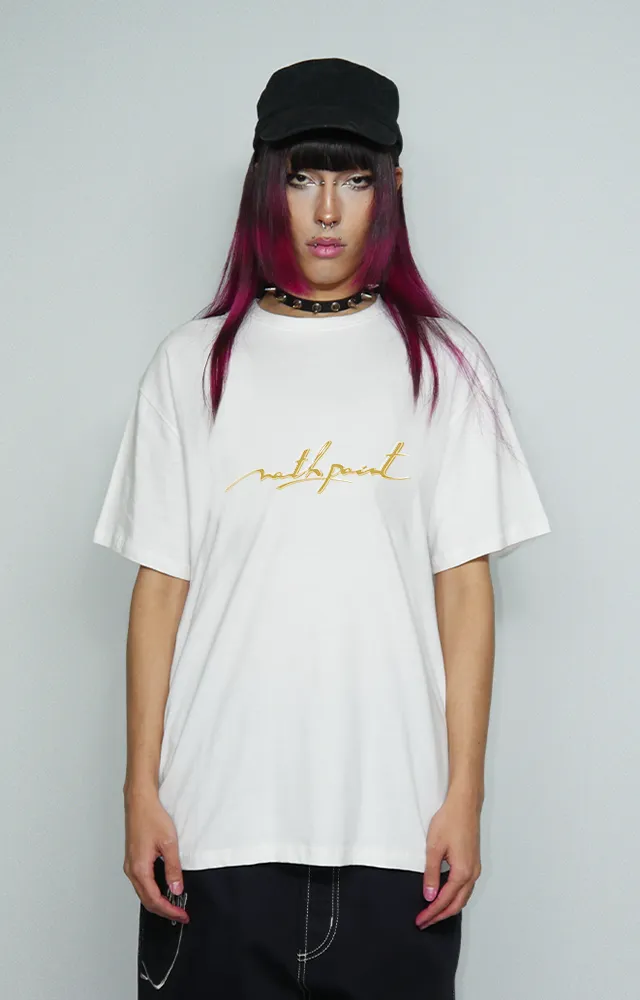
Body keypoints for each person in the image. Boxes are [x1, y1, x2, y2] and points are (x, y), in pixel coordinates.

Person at [93, 57, 551, 999]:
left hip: (395, 836)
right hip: (213, 832)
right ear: (267, 186)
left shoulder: (445, 366)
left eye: (355, 180)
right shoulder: (192, 365)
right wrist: (139, 791)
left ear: (393, 188)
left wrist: (465, 797)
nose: (329, 211)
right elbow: (161, 588)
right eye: (304, 178)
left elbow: (465, 592)